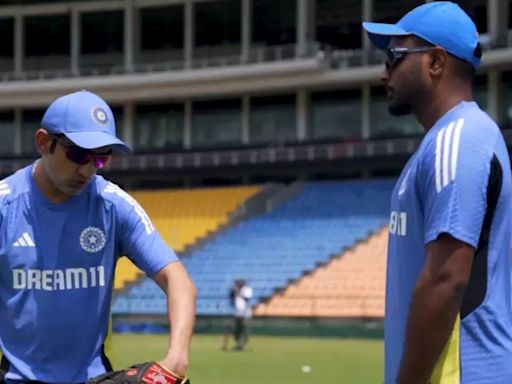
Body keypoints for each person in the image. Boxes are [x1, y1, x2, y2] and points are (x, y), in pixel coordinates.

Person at [0, 90, 196, 383]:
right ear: (43, 143)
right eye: (77, 153)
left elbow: (178, 280)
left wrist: (176, 359)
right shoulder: (5, 206)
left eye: (100, 158)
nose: (87, 169)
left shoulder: (114, 205)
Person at [362, 2, 512, 383]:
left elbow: (447, 279)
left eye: (394, 56)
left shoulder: (458, 139)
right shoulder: (445, 141)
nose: (384, 73)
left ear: (435, 62)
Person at [222, 279, 253, 351]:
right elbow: (232, 301)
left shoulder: (246, 289)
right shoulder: (235, 290)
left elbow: (247, 299)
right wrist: (232, 294)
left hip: (245, 312)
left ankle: (245, 343)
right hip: (237, 312)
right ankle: (238, 343)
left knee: (244, 327)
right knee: (237, 329)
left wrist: (238, 292)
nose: (236, 285)